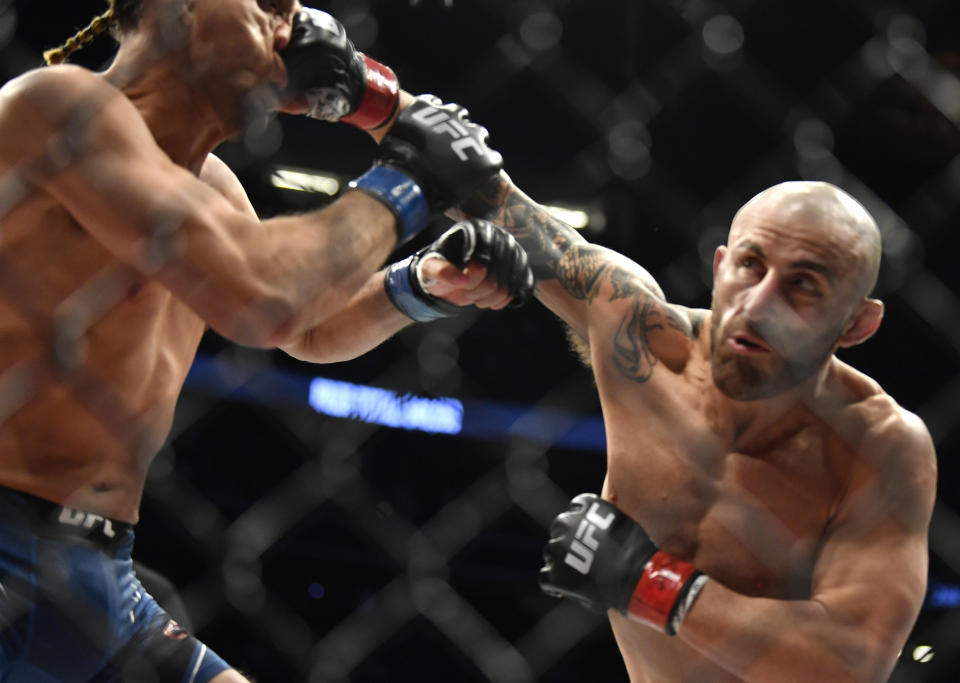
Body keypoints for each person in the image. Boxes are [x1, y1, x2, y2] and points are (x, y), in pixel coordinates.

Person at [0, 1, 533, 681]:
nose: (288, 23)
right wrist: (407, 182)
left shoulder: (213, 187)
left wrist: (420, 285)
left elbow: (307, 326)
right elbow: (262, 296)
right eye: (268, 3)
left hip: (105, 575)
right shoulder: (57, 105)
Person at [461, 177, 938, 681]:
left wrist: (646, 581)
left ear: (856, 324)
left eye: (803, 285)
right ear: (720, 267)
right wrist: (376, 102)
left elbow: (849, 665)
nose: (758, 306)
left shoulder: (879, 447)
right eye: (750, 265)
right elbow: (465, 174)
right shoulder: (642, 344)